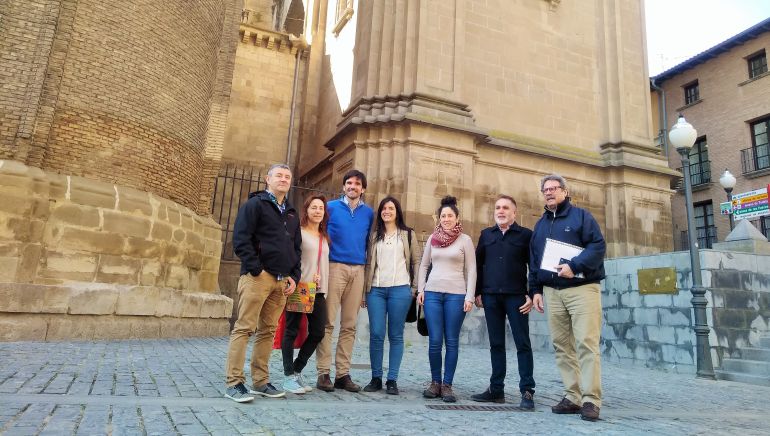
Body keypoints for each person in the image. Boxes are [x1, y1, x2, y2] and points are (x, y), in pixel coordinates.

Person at [530, 174, 606, 421]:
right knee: (562, 347)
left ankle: (591, 400)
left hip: (581, 288)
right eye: (546, 190)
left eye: (554, 188)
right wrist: (536, 291)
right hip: (552, 292)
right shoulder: (540, 225)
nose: (549, 193)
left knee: (586, 344)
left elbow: (597, 246)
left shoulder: (581, 217)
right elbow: (534, 262)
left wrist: (574, 265)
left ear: (564, 191)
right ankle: (572, 396)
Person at [224, 163, 301, 403]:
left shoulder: (291, 212)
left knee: (267, 331)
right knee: (245, 328)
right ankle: (234, 383)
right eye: (278, 175)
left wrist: (294, 276)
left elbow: (295, 249)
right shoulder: (255, 205)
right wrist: (256, 268)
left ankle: (260, 381)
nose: (283, 179)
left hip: (281, 282)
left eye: (287, 177)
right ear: (268, 179)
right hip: (258, 277)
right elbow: (240, 238)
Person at [471, 195, 536, 410]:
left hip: (517, 297)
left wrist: (532, 293)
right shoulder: (486, 235)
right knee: (496, 344)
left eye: (506, 208)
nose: (501, 211)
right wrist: (478, 292)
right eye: (498, 207)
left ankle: (527, 390)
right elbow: (478, 265)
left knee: (522, 343)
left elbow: (533, 266)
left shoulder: (526, 235)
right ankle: (496, 389)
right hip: (491, 297)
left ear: (514, 213)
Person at [316, 169, 374, 392]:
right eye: (349, 183)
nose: (353, 187)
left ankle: (343, 374)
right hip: (334, 267)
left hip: (357, 270)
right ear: (343, 187)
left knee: (349, 325)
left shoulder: (368, 213)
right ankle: (323, 373)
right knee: (328, 322)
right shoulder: (330, 208)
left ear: (363, 189)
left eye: (357, 184)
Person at [417, 195, 476, 403]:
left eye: (450, 215)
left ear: (457, 218)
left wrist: (469, 295)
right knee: (434, 340)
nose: (446, 218)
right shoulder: (432, 239)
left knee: (451, 341)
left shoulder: (465, 240)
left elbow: (472, 269)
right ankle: (435, 383)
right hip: (432, 293)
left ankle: (447, 385)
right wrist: (421, 289)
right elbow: (423, 265)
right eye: (443, 216)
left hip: (456, 295)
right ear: (439, 218)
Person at [361, 196, 420, 395]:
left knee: (396, 334)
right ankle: (376, 377)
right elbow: (367, 264)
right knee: (376, 333)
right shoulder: (373, 236)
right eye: (384, 208)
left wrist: (414, 288)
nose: (387, 211)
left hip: (400, 290)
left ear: (397, 212)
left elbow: (416, 262)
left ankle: (392, 379)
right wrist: (364, 290)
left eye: (391, 208)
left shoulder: (408, 234)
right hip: (376, 290)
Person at [280, 195, 330, 394]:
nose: (317, 211)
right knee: (291, 330)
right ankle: (287, 376)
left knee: (318, 331)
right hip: (300, 285)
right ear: (306, 211)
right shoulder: (298, 232)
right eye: (314, 207)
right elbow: (291, 256)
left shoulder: (324, 236)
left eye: (321, 208)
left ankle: (297, 369)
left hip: (317, 289)